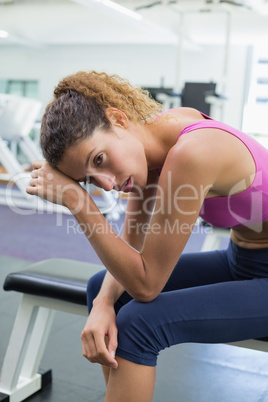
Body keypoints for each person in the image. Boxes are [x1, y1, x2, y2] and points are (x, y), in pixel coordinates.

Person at [26, 70, 268, 402]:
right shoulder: (151, 144)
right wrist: (102, 304)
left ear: (118, 119)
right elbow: (131, 246)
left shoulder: (193, 152)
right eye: (90, 180)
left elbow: (147, 284)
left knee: (141, 323)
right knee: (103, 287)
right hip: (242, 261)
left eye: (100, 159)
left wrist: (78, 202)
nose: (107, 184)